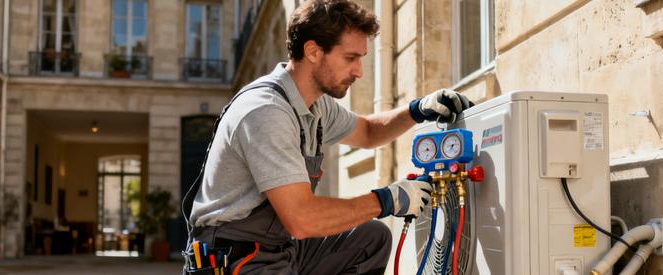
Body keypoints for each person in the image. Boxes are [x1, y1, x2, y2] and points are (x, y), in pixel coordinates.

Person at [183, 0, 473, 274]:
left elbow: (369, 132)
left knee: (370, 238)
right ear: (313, 51)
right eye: (350, 58)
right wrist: (387, 200)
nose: (359, 71)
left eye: (361, 59)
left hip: (279, 246)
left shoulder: (315, 105)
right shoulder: (265, 111)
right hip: (237, 257)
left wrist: (418, 110)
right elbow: (302, 219)